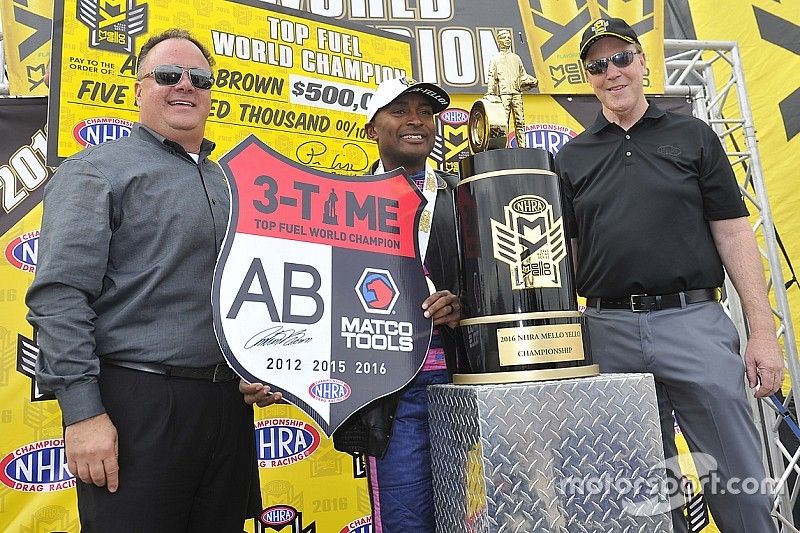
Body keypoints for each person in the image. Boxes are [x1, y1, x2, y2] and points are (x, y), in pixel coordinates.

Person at [26, 29, 279, 532]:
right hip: (135, 407)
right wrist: (81, 413)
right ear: (139, 89)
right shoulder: (96, 170)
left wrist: (266, 364)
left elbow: (255, 290)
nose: (184, 85)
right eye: (168, 75)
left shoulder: (235, 182)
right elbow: (59, 296)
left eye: (199, 78)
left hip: (226, 410)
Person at [554, 17, 784, 533]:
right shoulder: (570, 156)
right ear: (587, 77)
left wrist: (762, 333)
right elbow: (562, 254)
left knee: (737, 479)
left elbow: (733, 235)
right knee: (637, 493)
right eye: (597, 65)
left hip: (694, 322)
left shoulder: (694, 135)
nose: (611, 72)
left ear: (641, 61)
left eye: (620, 59)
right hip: (607, 331)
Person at [332, 77, 463, 532]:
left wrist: (462, 304)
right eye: (399, 110)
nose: (415, 121)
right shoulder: (341, 202)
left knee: (469, 514)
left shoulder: (462, 194)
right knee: (407, 519)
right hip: (388, 389)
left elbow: (489, 279)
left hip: (460, 379)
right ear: (372, 128)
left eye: (425, 113)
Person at [486, 29, 538, 148]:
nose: (508, 40)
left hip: (516, 94)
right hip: (503, 95)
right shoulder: (495, 59)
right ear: (499, 41)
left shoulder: (516, 58)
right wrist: (490, 92)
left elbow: (522, 75)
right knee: (503, 123)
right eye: (505, 37)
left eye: (509, 37)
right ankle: (503, 147)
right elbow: (491, 76)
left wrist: (531, 81)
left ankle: (522, 146)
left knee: (520, 122)